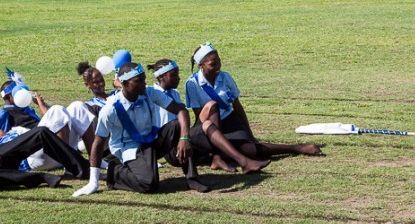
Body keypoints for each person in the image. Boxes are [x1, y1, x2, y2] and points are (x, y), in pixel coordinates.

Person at [72, 61, 210, 197]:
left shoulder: (149, 92)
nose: (145, 83)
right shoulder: (110, 109)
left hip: (151, 141)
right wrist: (93, 181)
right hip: (129, 150)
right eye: (139, 81)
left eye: (144, 79)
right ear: (125, 84)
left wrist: (184, 138)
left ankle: (192, 178)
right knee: (149, 184)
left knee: (176, 126)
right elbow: (98, 142)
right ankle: (115, 173)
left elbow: (181, 111)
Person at [185, 43, 323, 163]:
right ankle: (219, 154)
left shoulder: (225, 77)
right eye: (212, 64)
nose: (218, 67)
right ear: (201, 65)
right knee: (229, 149)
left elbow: (237, 106)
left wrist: (249, 133)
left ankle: (296, 148)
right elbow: (199, 116)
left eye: (219, 61)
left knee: (249, 148)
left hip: (229, 120)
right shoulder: (192, 84)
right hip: (210, 126)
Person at [150, 58, 270, 174]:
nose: (178, 78)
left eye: (178, 74)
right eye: (174, 75)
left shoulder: (174, 93)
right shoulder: (152, 95)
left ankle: (219, 157)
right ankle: (242, 162)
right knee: (215, 129)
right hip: (172, 149)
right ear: (161, 77)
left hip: (183, 137)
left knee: (212, 105)